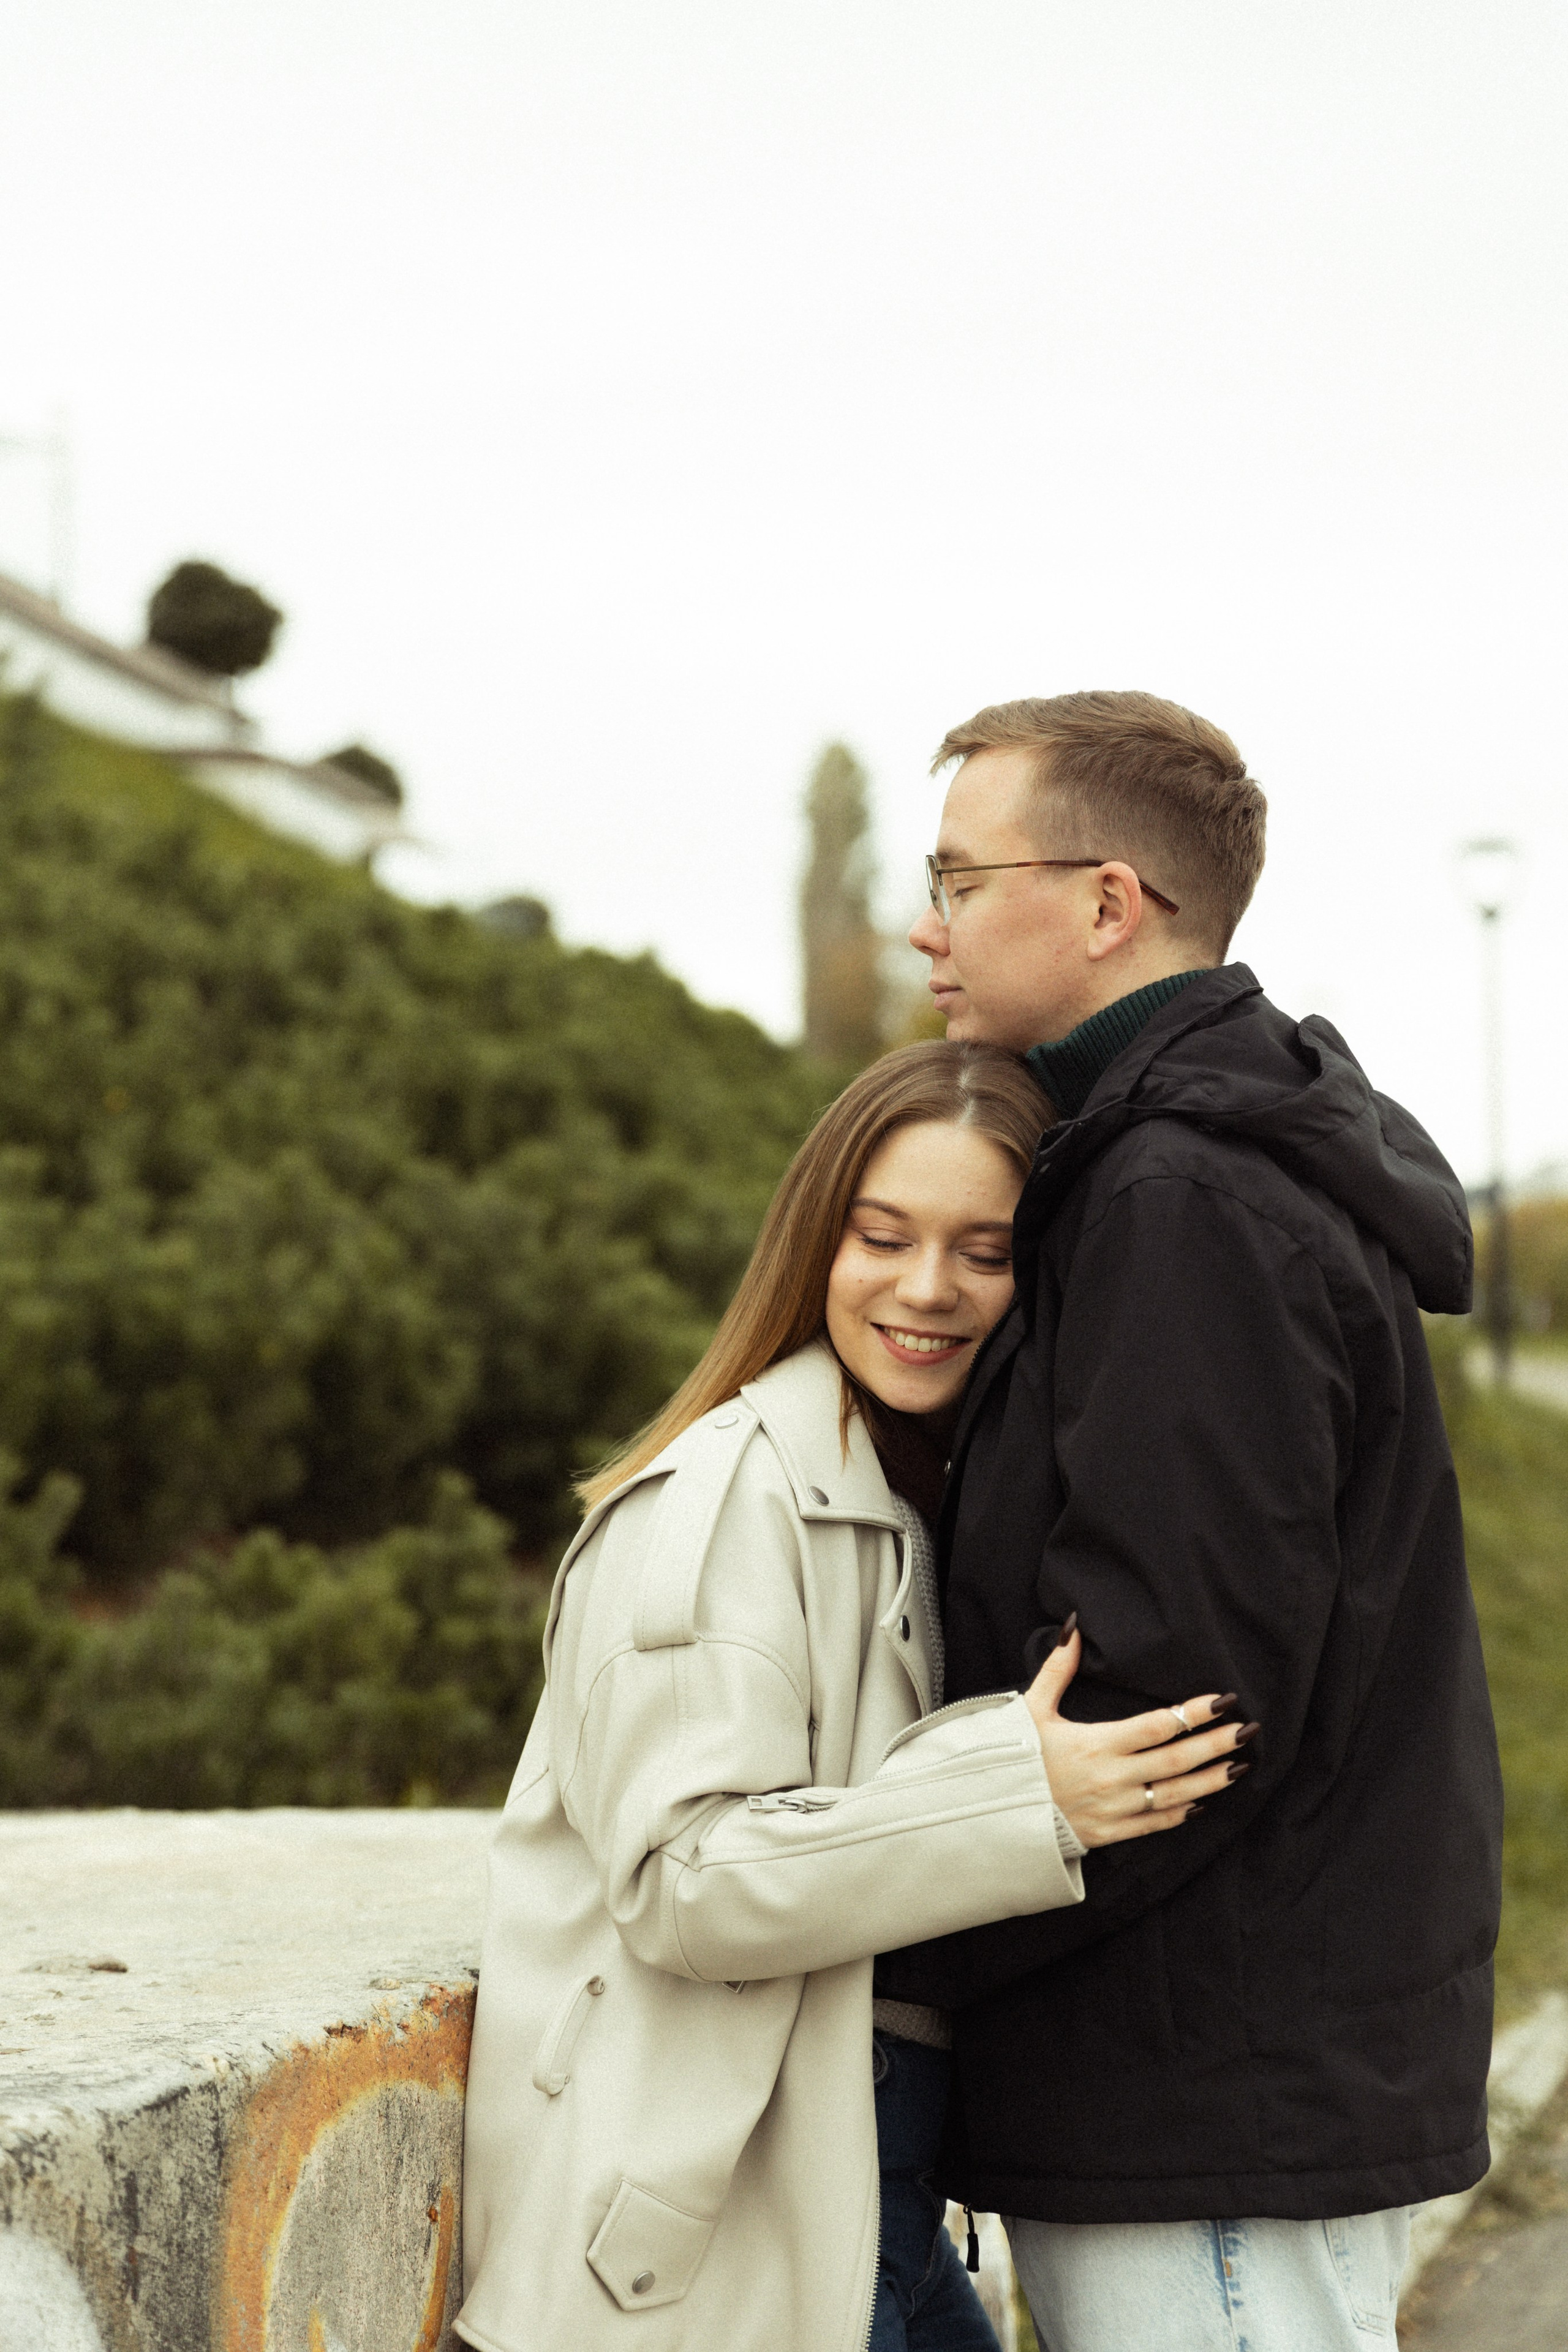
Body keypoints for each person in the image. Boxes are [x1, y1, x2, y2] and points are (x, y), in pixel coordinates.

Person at [456, 1041, 1251, 2352]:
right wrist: (1018, 1796)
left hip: (866, 2189)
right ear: (812, 1244)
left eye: (983, 1253)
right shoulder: (723, 1505)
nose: (925, 1289)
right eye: (880, 1237)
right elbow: (684, 1877)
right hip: (705, 2246)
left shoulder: (913, 1488)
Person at [878, 691, 1503, 2351]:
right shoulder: (1179, 1162)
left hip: (1204, 2092)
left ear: (1103, 903)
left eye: (958, 877)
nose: (922, 923)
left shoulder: (1182, 1198)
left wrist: (916, 1946)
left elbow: (1171, 1706)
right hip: (1213, 2070)